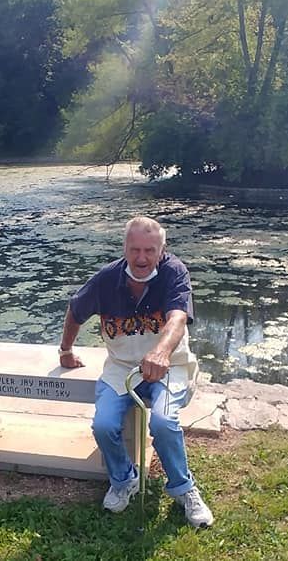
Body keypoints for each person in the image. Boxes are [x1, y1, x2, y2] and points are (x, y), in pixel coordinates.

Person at [57, 215, 213, 527]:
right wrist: (66, 350)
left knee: (164, 422)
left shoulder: (174, 272)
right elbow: (75, 311)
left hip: (169, 366)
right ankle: (124, 478)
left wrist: (160, 351)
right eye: (135, 249)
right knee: (103, 425)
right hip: (121, 369)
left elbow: (178, 318)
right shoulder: (106, 279)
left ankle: (184, 489)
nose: (142, 258)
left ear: (162, 249)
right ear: (125, 248)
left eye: (150, 250)